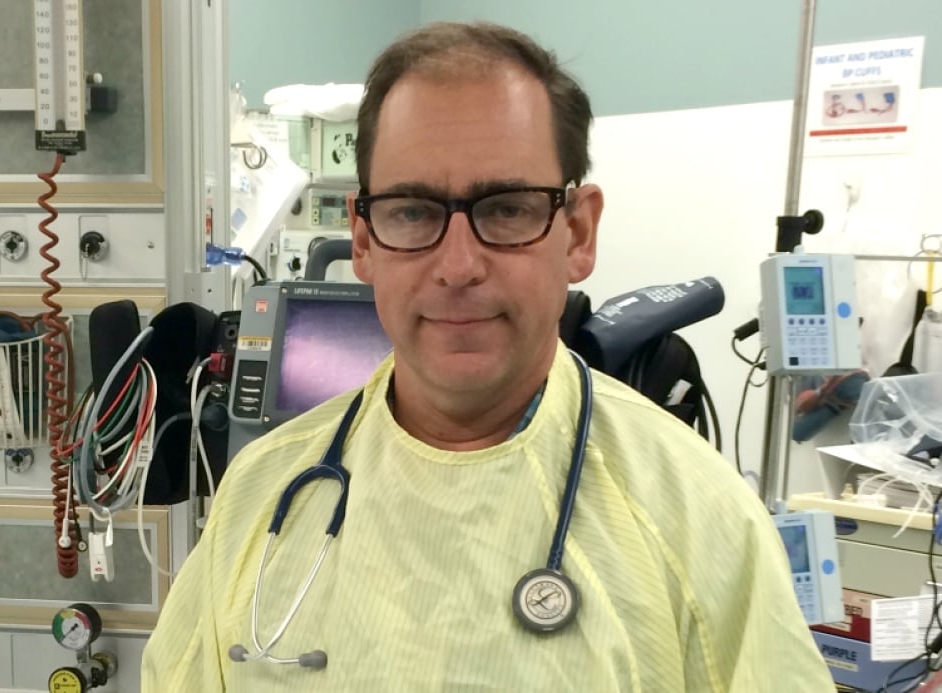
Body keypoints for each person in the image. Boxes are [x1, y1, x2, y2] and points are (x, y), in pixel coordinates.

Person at [143, 21, 834, 691]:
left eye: (506, 209)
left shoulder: (701, 520)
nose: (459, 264)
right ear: (362, 241)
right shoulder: (259, 500)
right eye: (412, 211)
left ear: (578, 232)